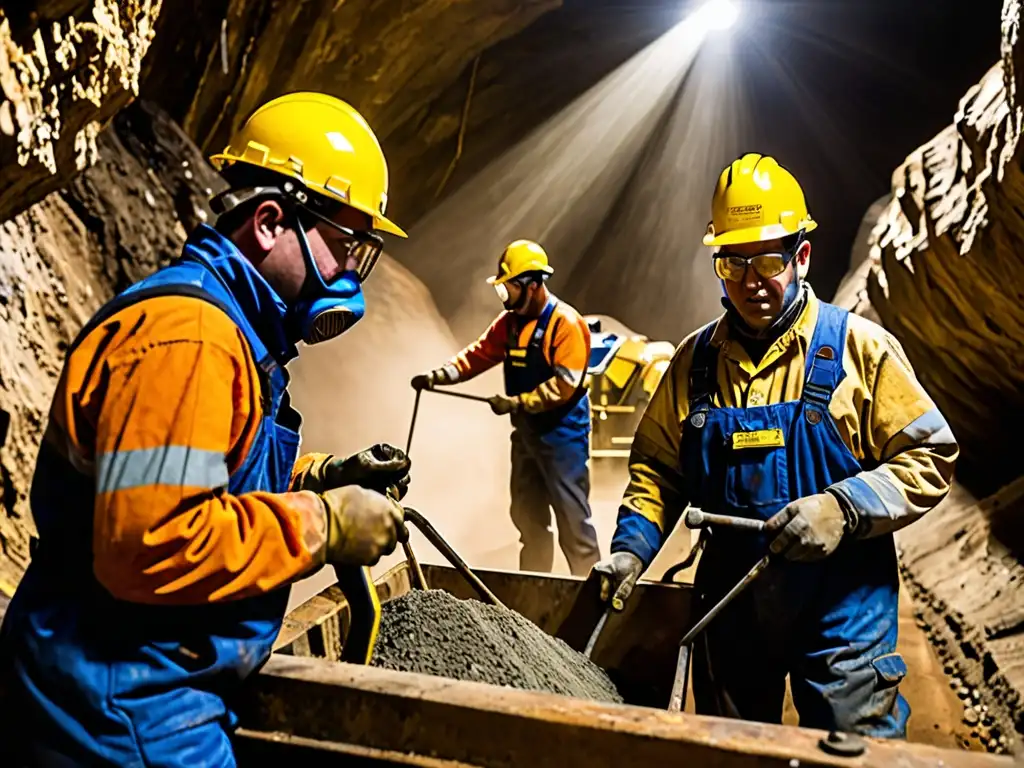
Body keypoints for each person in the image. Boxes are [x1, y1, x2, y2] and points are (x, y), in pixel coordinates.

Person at [0, 92, 412, 766]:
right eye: (343, 247)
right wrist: (323, 523)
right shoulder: (188, 339)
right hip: (119, 708)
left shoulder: (230, 332)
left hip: (152, 685)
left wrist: (321, 475)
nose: (347, 275)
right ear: (272, 222)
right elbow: (153, 542)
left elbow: (204, 477)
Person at [593, 153, 958, 737]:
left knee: (853, 745)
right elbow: (658, 470)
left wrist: (843, 506)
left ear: (801, 257)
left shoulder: (860, 350)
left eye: (768, 260)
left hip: (843, 604)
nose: (752, 282)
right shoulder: (694, 363)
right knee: (734, 747)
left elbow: (931, 454)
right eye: (732, 264)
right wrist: (631, 550)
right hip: (730, 604)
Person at [411, 240, 600, 576]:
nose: (504, 298)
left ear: (531, 284)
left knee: (573, 522)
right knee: (529, 519)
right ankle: (533, 587)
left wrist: (516, 402)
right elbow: (478, 355)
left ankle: (590, 590)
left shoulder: (566, 325)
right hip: (526, 433)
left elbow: (564, 386)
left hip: (562, 435)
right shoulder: (509, 324)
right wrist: (437, 376)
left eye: (507, 289)